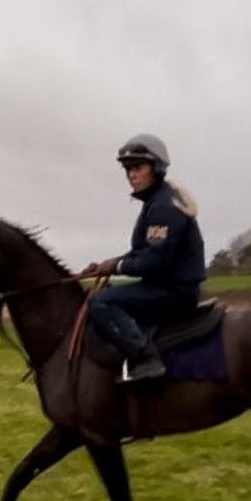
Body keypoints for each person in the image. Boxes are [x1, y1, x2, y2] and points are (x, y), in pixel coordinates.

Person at [81, 134, 206, 381]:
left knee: (101, 302)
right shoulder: (157, 200)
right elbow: (142, 253)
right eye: (128, 169)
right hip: (164, 285)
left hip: (175, 291)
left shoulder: (163, 206)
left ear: (156, 168)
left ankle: (145, 357)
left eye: (138, 167)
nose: (131, 175)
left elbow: (156, 261)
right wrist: (106, 266)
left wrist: (115, 266)